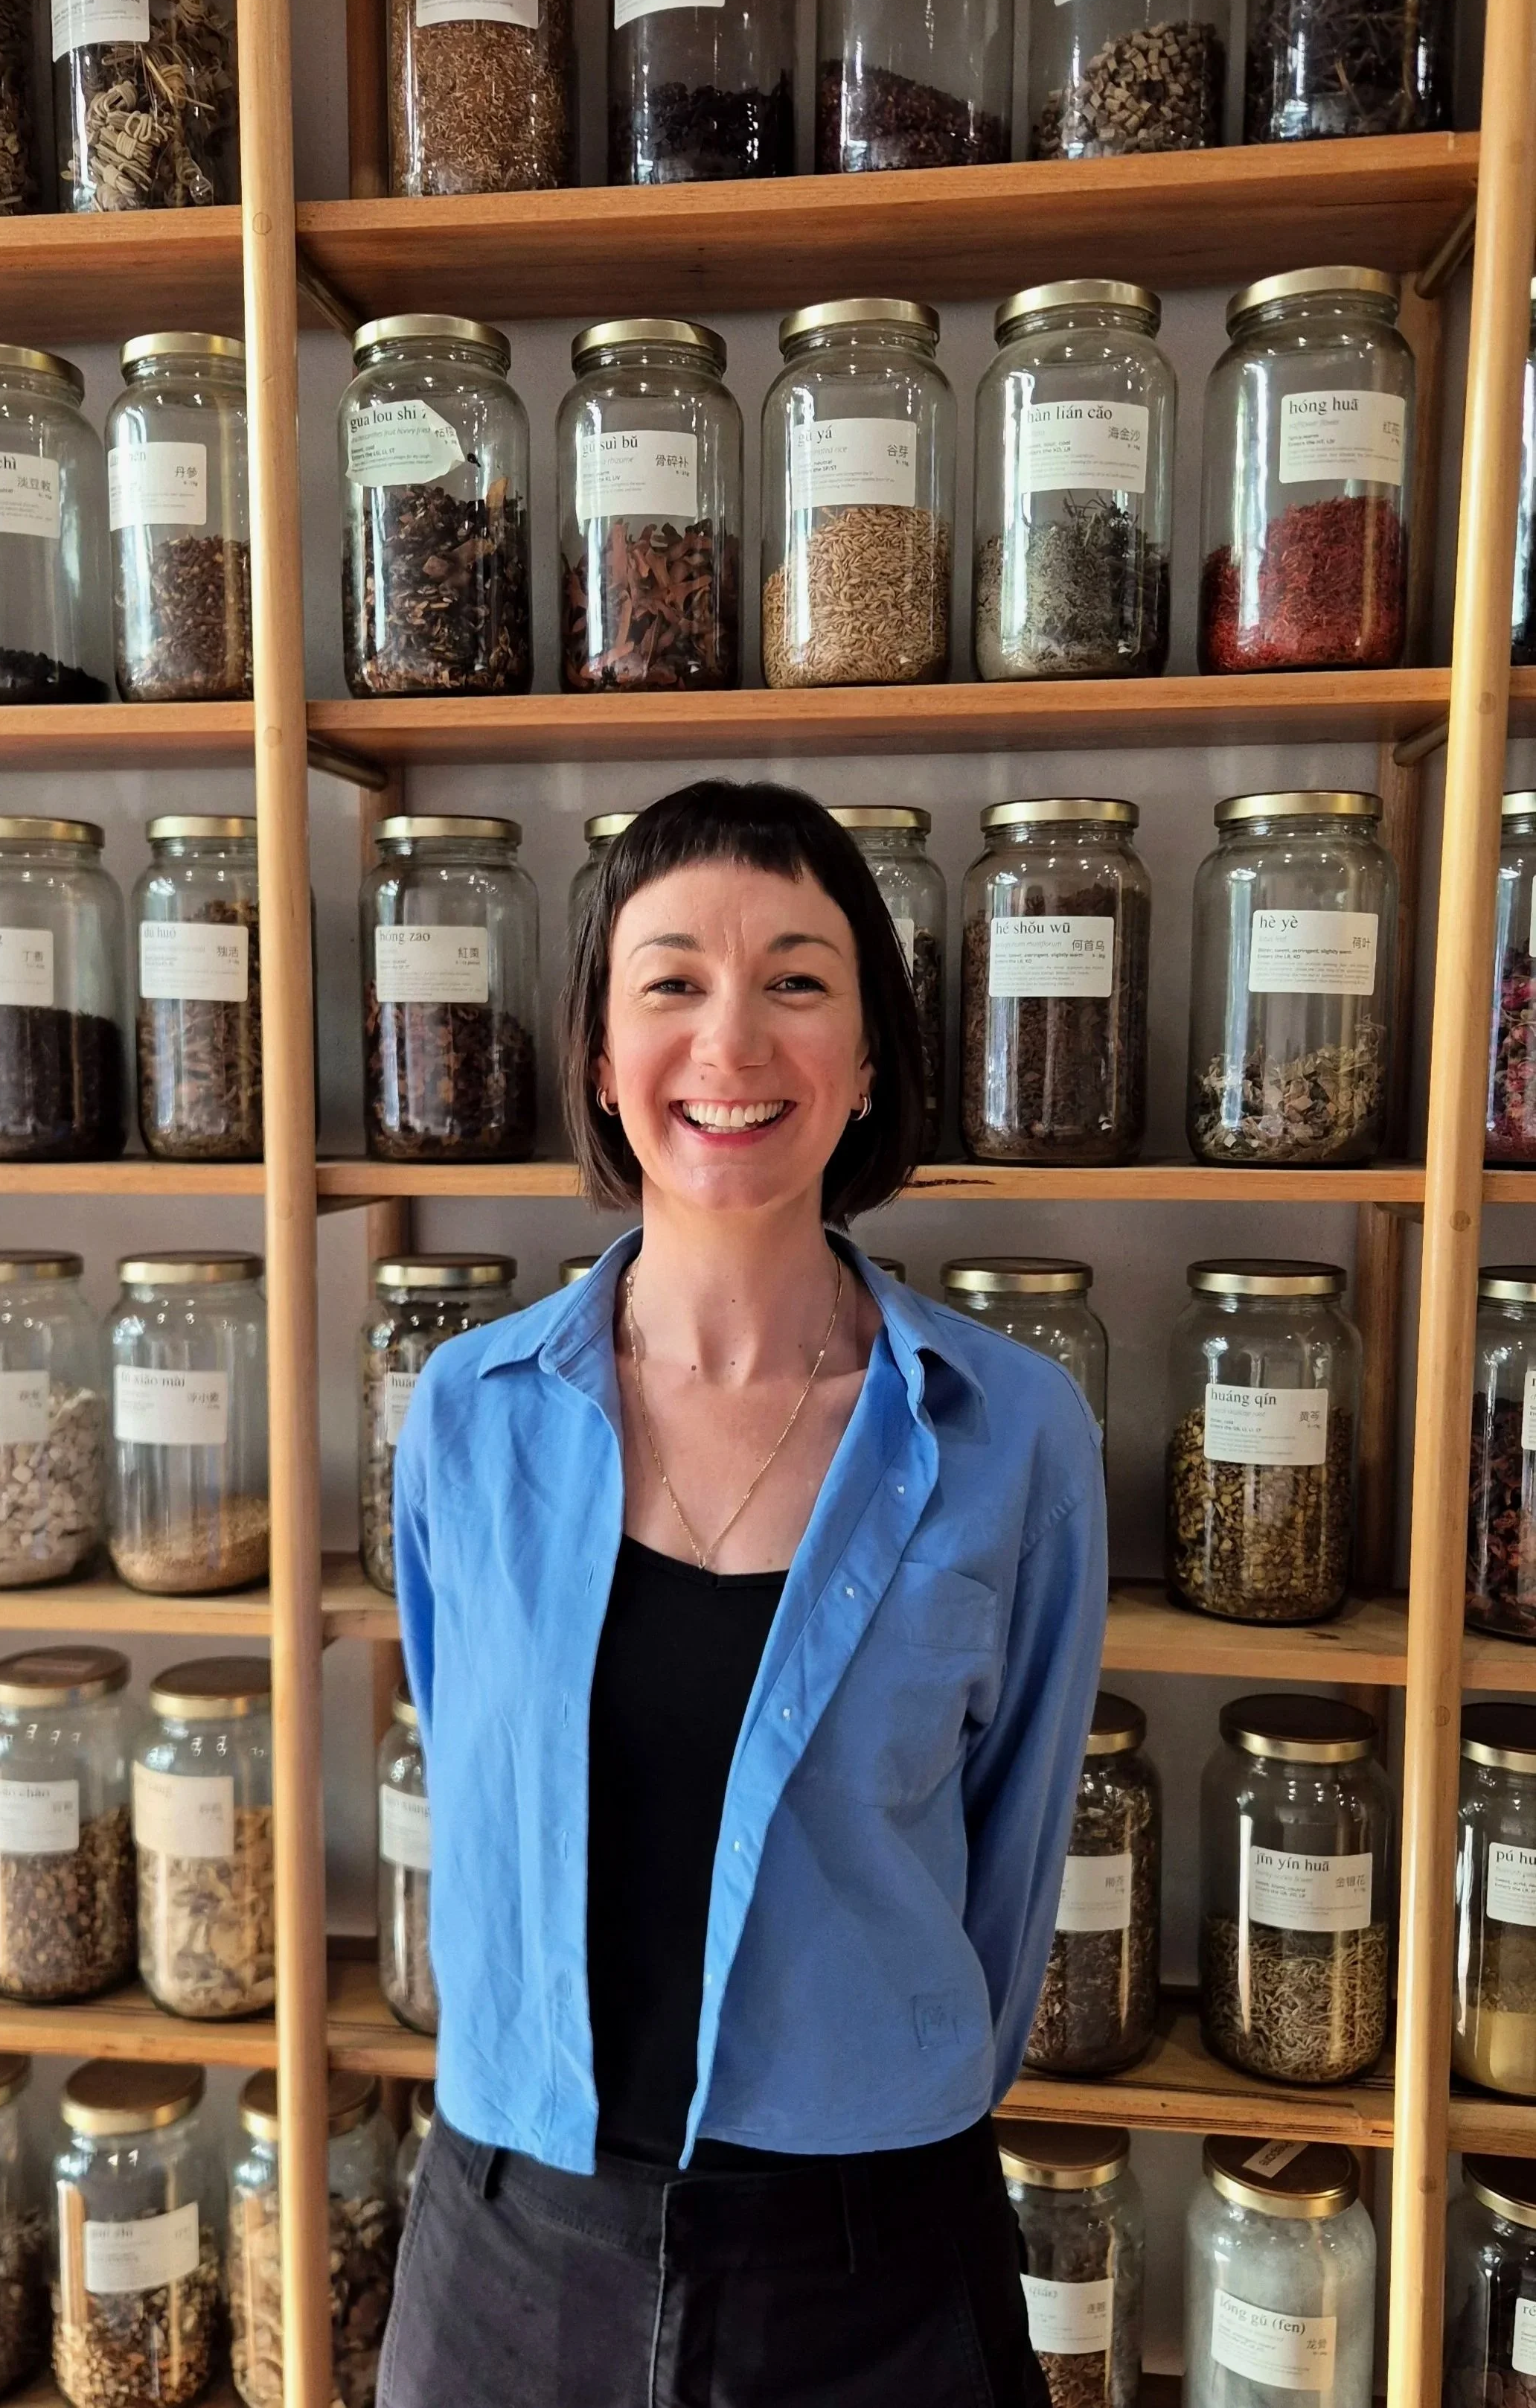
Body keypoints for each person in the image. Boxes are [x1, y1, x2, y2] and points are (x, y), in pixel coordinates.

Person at [381, 779, 1107, 2408]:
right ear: (594, 1054)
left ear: (865, 1063)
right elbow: (480, 1765)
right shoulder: (468, 1415)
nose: (730, 1043)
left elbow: (1012, 1859)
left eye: (794, 980)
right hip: (508, 2242)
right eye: (670, 983)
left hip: (877, 2261)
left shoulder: (1010, 1435)